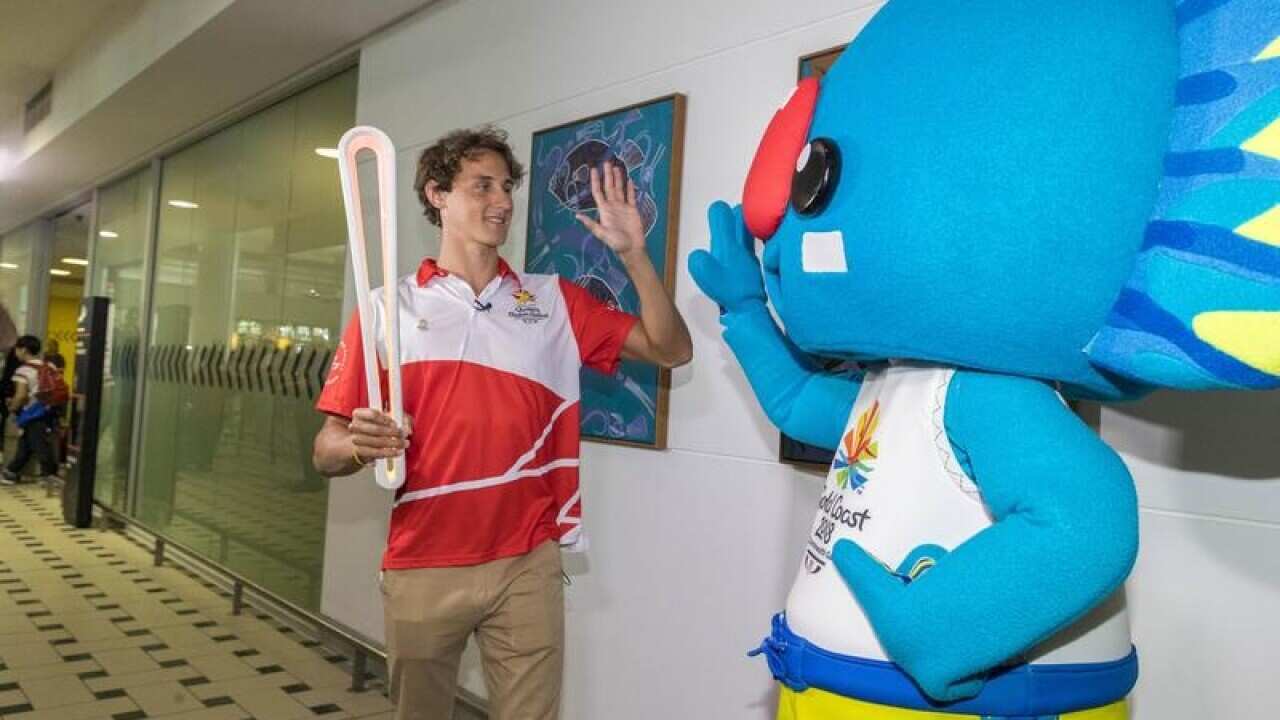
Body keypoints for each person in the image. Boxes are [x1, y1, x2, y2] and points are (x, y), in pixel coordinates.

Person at [312, 126, 692, 720]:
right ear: (437, 195)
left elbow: (672, 351)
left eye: (507, 186)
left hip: (527, 561)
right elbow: (325, 448)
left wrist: (634, 257)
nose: (503, 201)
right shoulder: (388, 308)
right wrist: (358, 445)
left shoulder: (553, 301)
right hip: (425, 561)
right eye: (481, 185)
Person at [1, 336, 59, 484]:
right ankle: (11, 472)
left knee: (39, 444)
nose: (15, 352)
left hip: (32, 413)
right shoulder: (49, 366)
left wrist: (12, 408)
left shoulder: (23, 370)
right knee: (26, 443)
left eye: (17, 349)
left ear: (24, 350)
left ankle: (50, 475)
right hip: (48, 410)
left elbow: (20, 396)